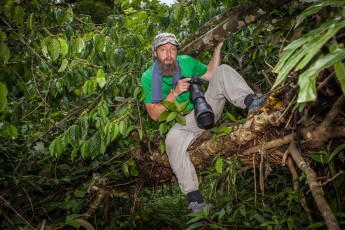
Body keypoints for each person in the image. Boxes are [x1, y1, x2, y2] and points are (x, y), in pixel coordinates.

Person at [140, 33, 267, 213]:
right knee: (171, 141)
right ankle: (195, 200)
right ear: (154, 53)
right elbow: (154, 114)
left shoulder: (187, 62)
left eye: (172, 49)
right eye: (163, 50)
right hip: (185, 123)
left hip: (206, 109)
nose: (168, 54)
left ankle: (252, 102)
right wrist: (174, 93)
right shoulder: (147, 78)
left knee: (222, 70)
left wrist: (217, 49)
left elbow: (212, 75)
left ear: (177, 52)